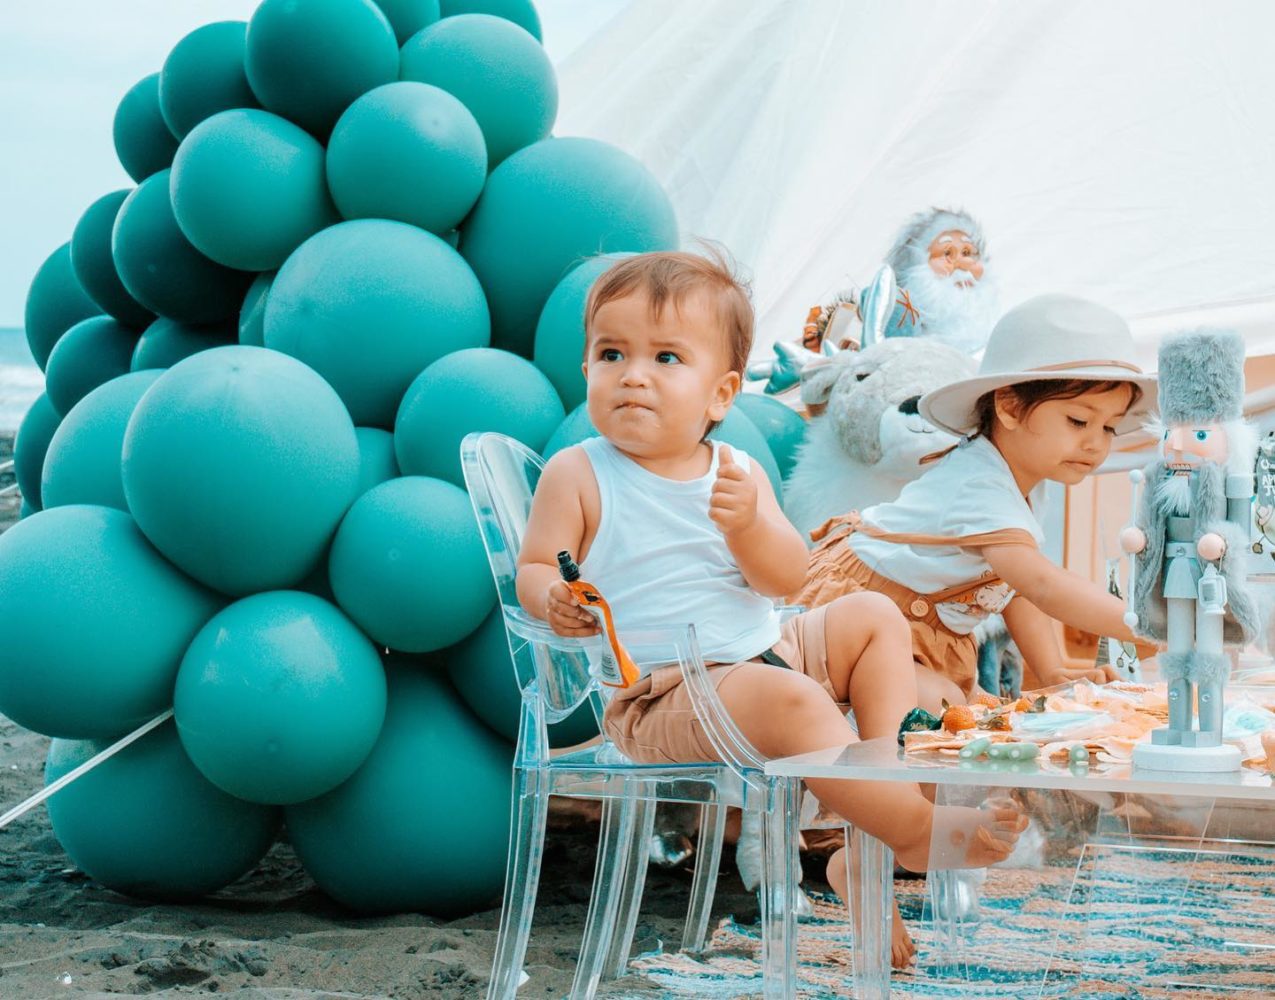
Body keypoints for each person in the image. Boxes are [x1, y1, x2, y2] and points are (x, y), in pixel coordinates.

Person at [516, 248, 1027, 969]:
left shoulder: (738, 474)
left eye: (665, 357)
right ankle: (910, 831)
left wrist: (748, 525)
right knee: (786, 698)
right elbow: (535, 567)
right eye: (610, 353)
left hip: (762, 654)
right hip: (658, 693)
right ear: (587, 371)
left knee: (869, 618)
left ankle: (868, 835)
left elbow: (786, 579)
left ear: (720, 395)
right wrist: (555, 599)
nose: (632, 374)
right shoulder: (580, 473)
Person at [792, 293, 1160, 708]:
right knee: (942, 709)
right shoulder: (979, 484)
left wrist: (1051, 670)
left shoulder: (1019, 483)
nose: (1095, 443)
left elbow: (1013, 588)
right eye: (1078, 421)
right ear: (1008, 407)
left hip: (914, 628)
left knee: (969, 711)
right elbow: (1041, 584)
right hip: (851, 620)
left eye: (1110, 428)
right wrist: (1149, 625)